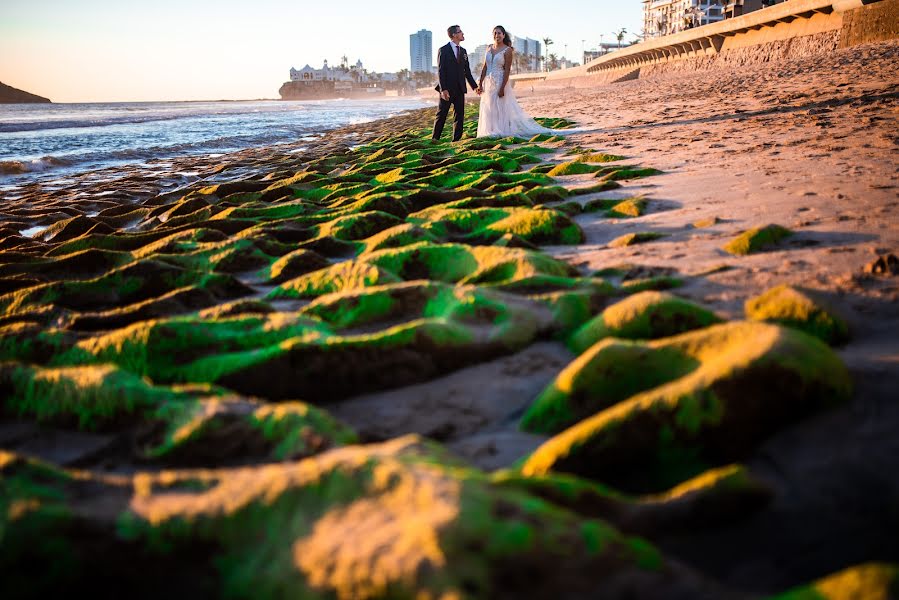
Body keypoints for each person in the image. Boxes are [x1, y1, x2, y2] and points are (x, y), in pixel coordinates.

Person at [476, 25, 555, 138]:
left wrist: (502, 88)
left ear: (503, 35)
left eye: (499, 33)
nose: (496, 35)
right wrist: (480, 84)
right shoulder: (488, 48)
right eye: (494, 33)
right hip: (488, 83)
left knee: (500, 107)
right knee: (489, 107)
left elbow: (507, 70)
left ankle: (501, 130)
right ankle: (490, 130)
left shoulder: (507, 50)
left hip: (500, 82)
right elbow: (484, 67)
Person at [432, 25, 480, 142]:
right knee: (441, 115)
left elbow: (467, 72)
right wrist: (443, 89)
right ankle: (435, 138)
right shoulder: (443, 50)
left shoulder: (463, 51)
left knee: (459, 116)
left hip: (460, 88)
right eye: (460, 31)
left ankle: (456, 140)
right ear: (454, 35)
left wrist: (475, 87)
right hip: (447, 90)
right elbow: (441, 71)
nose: (463, 33)